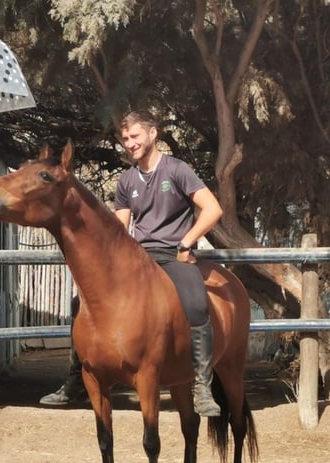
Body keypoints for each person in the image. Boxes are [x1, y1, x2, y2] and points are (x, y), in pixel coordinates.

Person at [40, 110, 223, 418]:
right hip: (139, 256)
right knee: (79, 303)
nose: (130, 143)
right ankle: (76, 378)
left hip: (173, 254)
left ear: (153, 133)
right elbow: (119, 229)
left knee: (195, 302)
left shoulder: (177, 170)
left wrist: (187, 242)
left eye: (135, 136)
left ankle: (203, 386)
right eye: (125, 138)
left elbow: (212, 209)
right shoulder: (126, 180)